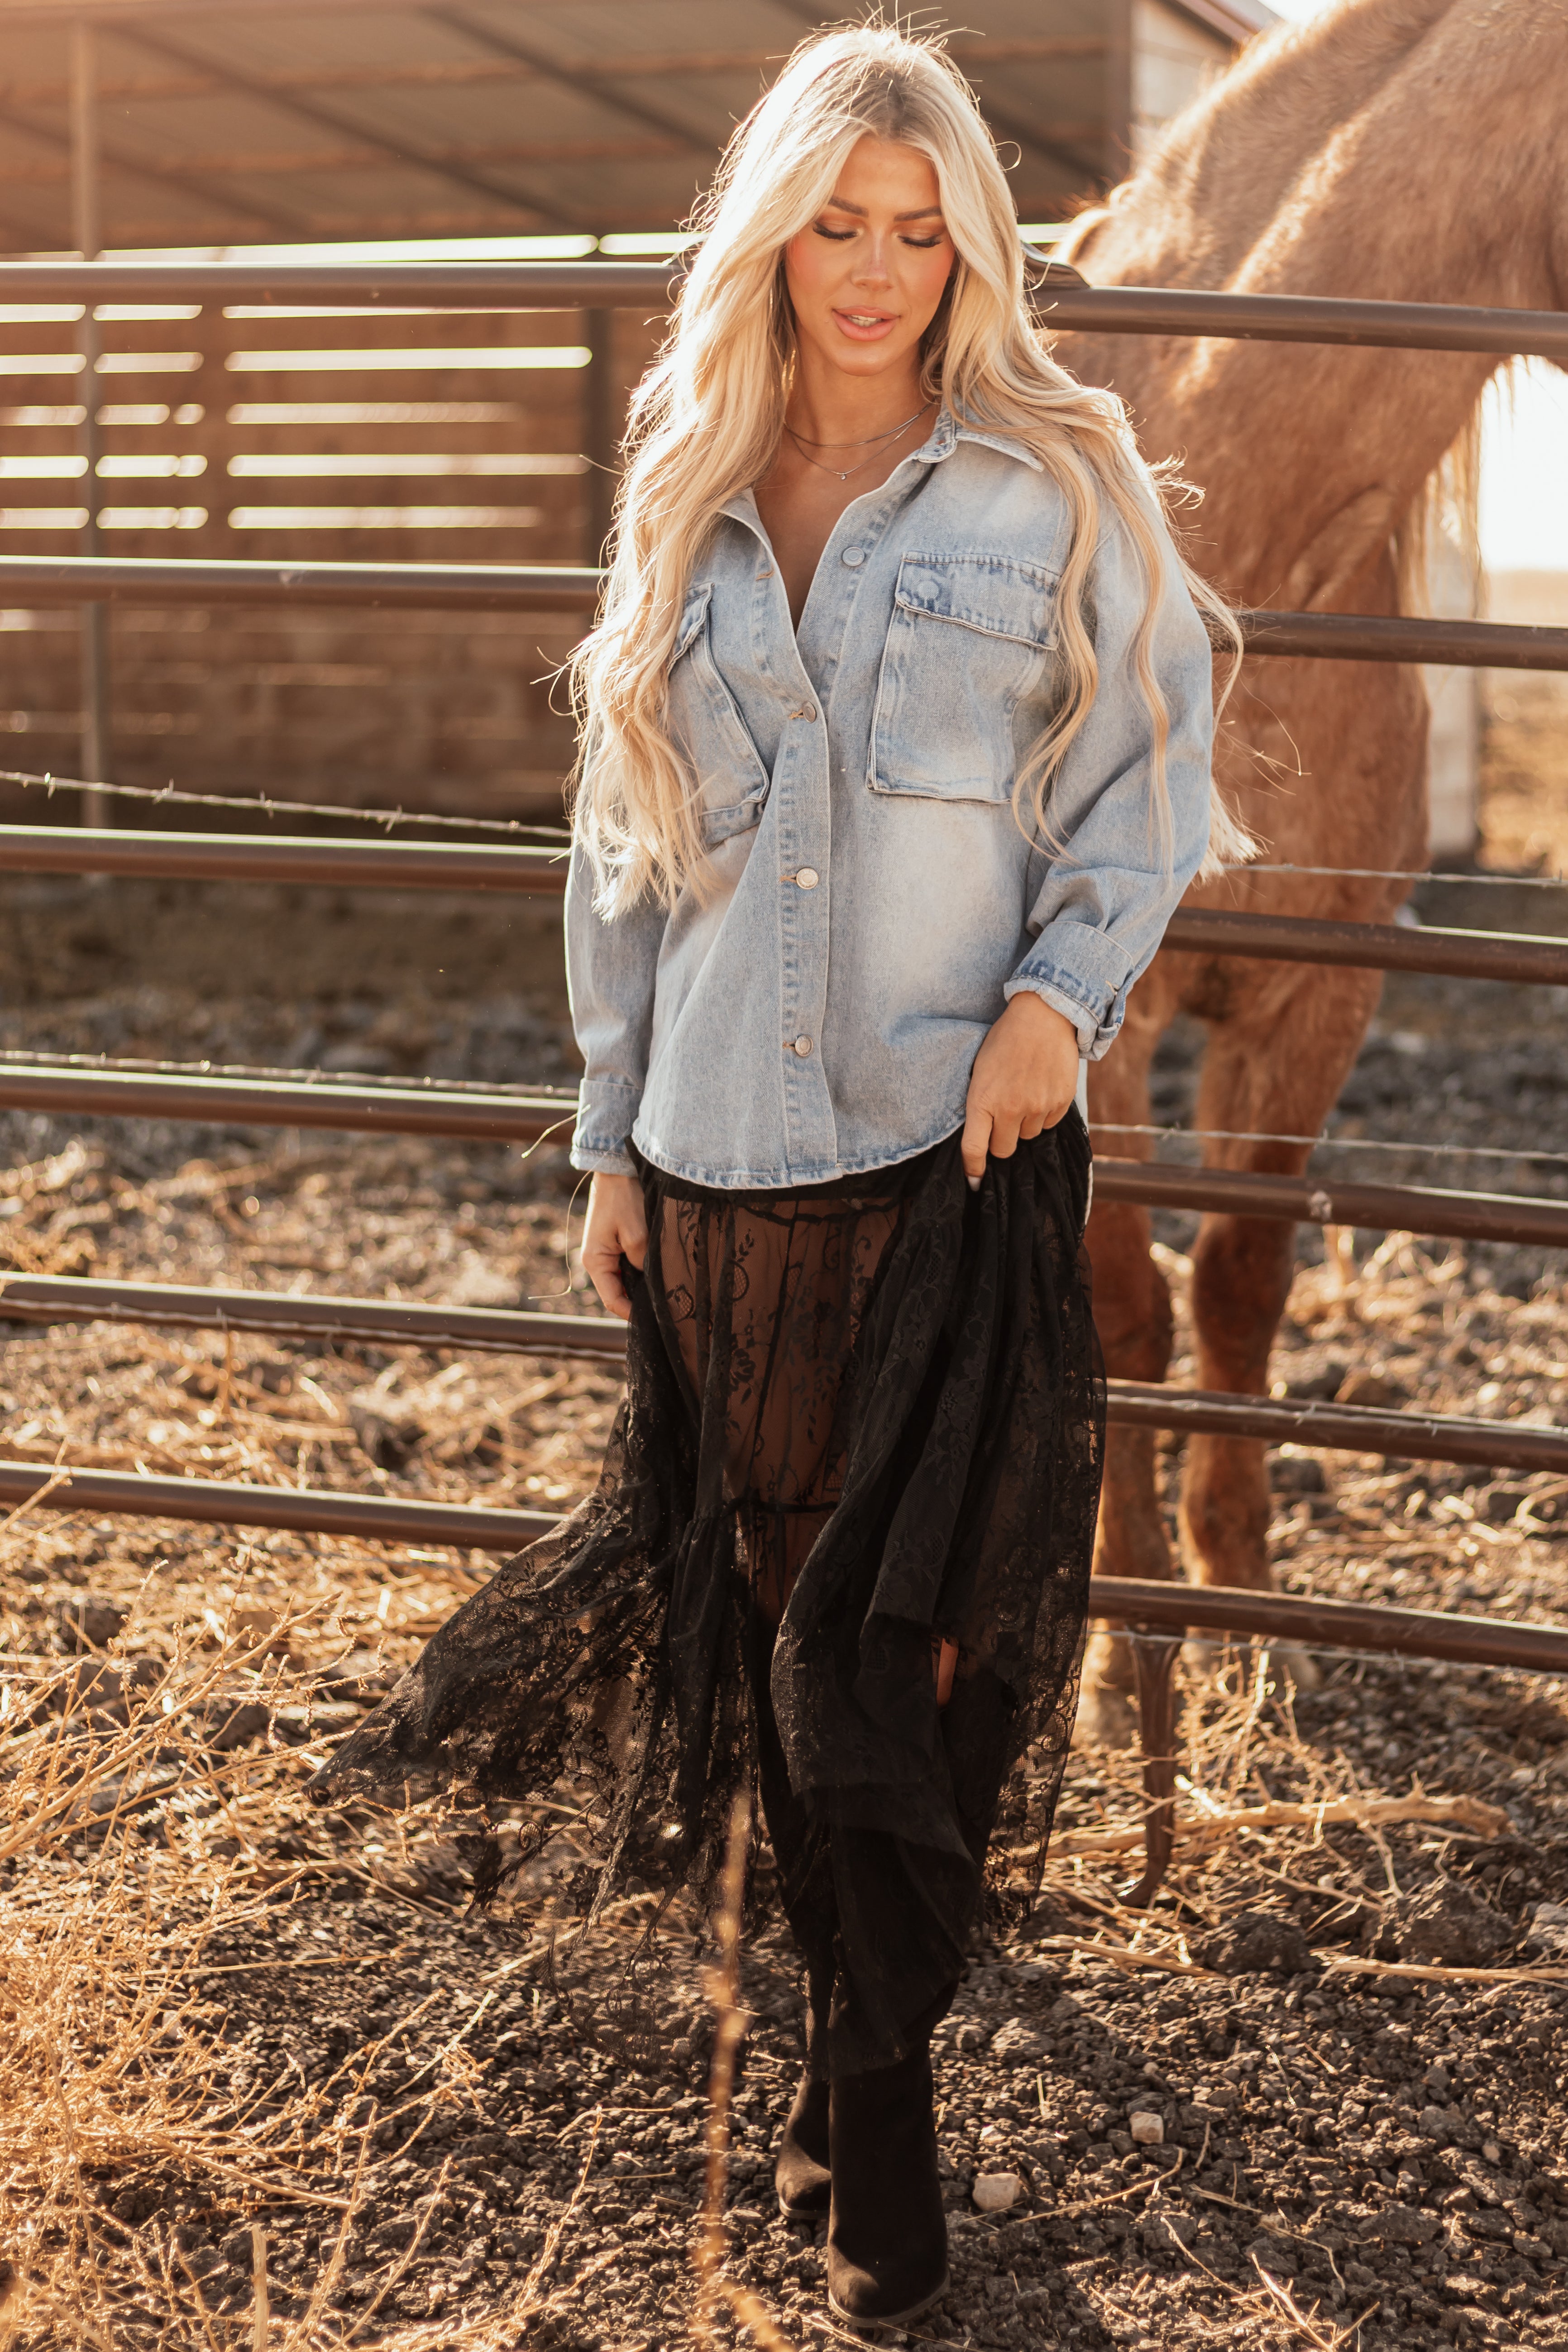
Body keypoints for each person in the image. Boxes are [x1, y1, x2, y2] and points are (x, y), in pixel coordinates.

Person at [312, 22, 1243, 2330]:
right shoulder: (683, 501)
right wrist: (606, 1130)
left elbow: (1144, 779)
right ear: (771, 236)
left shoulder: (1055, 477)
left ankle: (870, 2111)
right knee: (773, 1634)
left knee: (903, 1653)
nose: (875, 274)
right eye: (835, 226)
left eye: (920, 236)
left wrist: (1060, 1006)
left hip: (955, 1153)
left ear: (968, 255)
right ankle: (860, 2108)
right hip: (719, 1172)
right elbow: (622, 854)